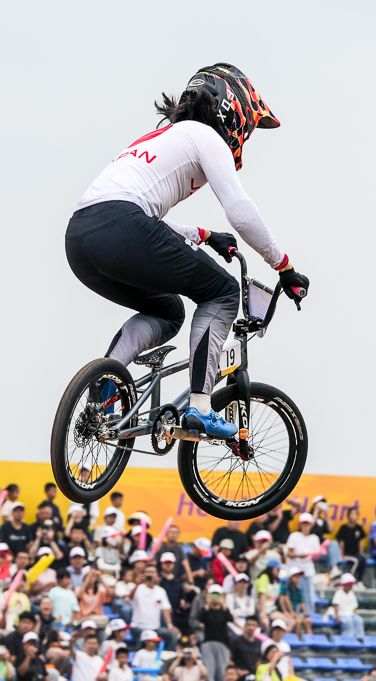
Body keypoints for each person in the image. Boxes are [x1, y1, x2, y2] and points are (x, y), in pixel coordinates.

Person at [65, 65, 308, 442]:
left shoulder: (164, 137)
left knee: (169, 310)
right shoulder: (206, 137)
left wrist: (204, 235)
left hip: (81, 238)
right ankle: (200, 407)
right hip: (122, 225)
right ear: (234, 109)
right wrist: (284, 266)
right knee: (223, 292)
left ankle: (106, 386)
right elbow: (240, 211)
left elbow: (138, 218)